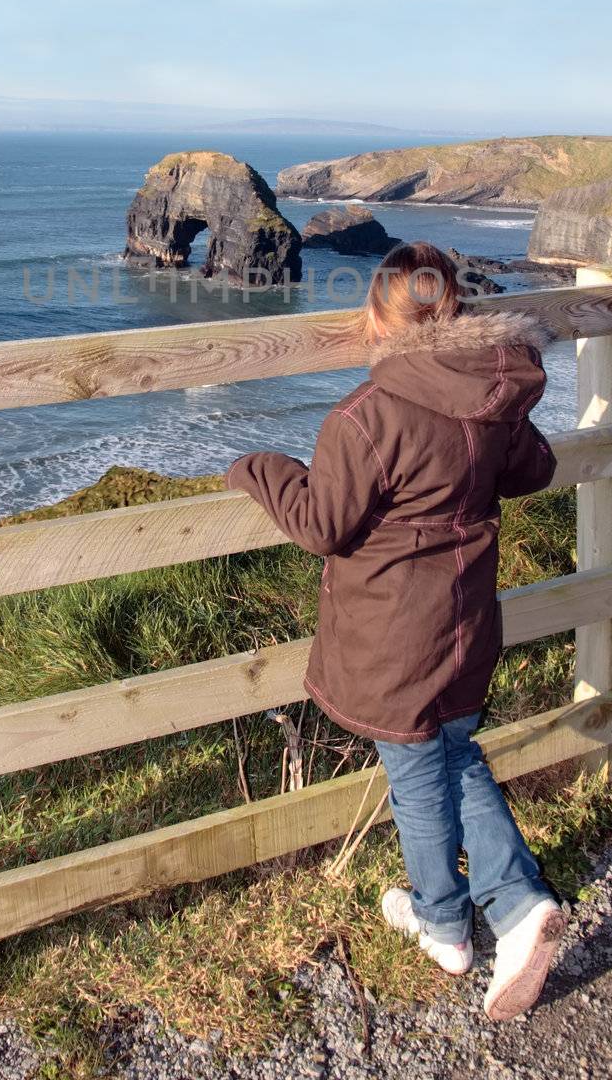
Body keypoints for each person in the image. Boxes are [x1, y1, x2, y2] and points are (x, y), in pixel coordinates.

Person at [224, 241, 565, 1022]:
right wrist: (508, 426)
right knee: (452, 753)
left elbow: (321, 523)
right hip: (465, 618)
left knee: (416, 776)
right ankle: (507, 904)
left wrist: (255, 467)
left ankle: (451, 924)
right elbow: (532, 472)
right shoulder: (494, 395)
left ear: (379, 318)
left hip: (391, 633)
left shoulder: (366, 416)